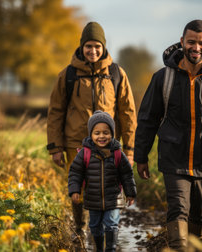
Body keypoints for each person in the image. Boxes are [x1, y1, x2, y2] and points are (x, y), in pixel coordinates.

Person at [134, 20, 202, 250]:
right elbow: (148, 118)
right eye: (191, 42)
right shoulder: (163, 78)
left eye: (201, 43)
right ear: (182, 41)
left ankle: (193, 246)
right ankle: (178, 247)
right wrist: (141, 155)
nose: (196, 47)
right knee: (178, 208)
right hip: (174, 156)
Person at [47, 21, 137, 239]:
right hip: (75, 144)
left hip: (109, 146)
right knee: (77, 189)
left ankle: (104, 232)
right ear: (81, 47)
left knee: (106, 188)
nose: (93, 51)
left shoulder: (117, 74)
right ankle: (79, 229)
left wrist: (130, 150)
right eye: (89, 46)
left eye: (97, 46)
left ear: (103, 47)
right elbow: (55, 112)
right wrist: (55, 148)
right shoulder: (67, 75)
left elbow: (127, 113)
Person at [68, 110, 136, 252]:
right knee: (95, 225)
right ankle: (99, 248)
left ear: (112, 133)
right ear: (90, 134)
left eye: (106, 132)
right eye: (97, 133)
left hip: (113, 197)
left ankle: (110, 249)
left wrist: (130, 192)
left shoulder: (117, 153)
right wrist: (75, 190)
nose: (101, 136)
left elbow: (126, 174)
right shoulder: (85, 153)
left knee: (111, 224)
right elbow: (75, 172)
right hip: (93, 198)